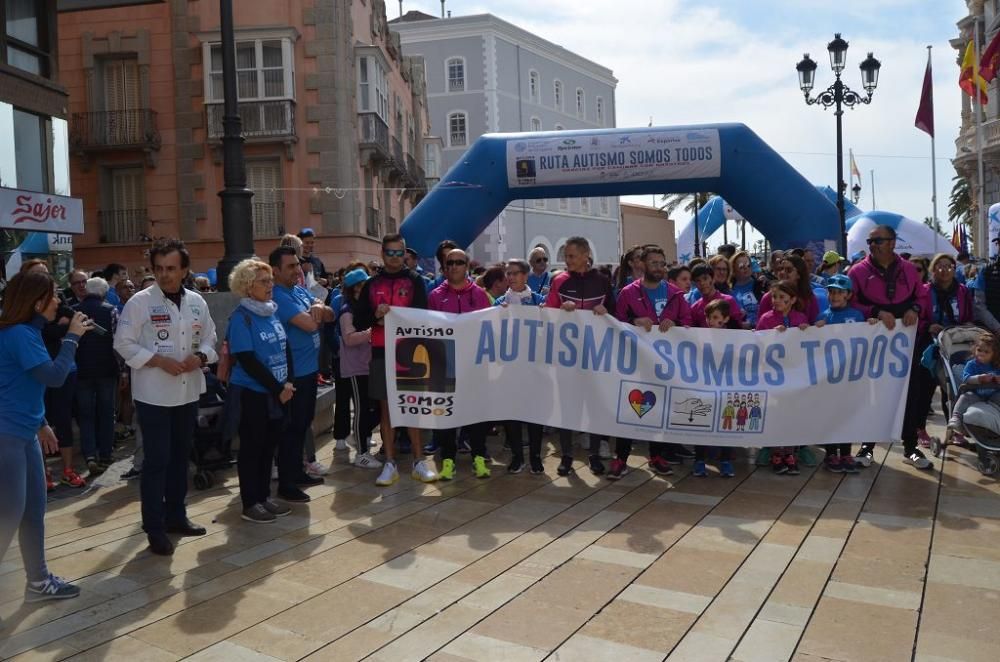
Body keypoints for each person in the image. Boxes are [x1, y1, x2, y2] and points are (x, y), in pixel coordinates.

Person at [114, 239, 218, 556]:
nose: (164, 275)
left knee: (179, 457)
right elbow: (123, 343)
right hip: (154, 395)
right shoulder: (140, 302)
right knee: (157, 461)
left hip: (187, 392)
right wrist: (159, 361)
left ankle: (177, 516)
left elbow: (212, 338)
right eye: (159, 268)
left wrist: (200, 358)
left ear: (184, 269)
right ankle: (154, 527)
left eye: (171, 268)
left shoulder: (198, 301)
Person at [0, 270, 94, 602]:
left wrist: (41, 423)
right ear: (37, 301)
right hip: (7, 436)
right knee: (9, 515)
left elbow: (22, 385)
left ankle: (38, 581)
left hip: (23, 433)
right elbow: (54, 377)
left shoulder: (26, 332)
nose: (58, 300)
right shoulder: (19, 334)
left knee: (33, 509)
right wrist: (73, 337)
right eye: (53, 295)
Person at [352, 233, 438, 486]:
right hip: (380, 352)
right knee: (386, 409)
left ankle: (418, 460)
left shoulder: (416, 281)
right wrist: (375, 316)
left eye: (399, 253)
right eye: (389, 253)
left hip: (409, 352)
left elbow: (423, 316)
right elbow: (358, 321)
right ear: (382, 254)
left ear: (405, 254)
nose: (394, 257)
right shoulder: (371, 284)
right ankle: (389, 462)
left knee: (412, 407)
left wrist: (395, 317)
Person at [849, 225, 934, 470]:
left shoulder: (909, 269)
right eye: (870, 241)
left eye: (878, 241)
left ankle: (911, 447)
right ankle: (867, 446)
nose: (872, 245)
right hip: (874, 343)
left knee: (910, 393)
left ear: (892, 243)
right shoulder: (858, 272)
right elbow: (851, 302)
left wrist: (914, 310)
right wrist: (874, 311)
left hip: (907, 342)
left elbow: (922, 297)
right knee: (873, 394)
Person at [609, 245, 691, 479]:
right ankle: (621, 458)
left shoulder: (675, 293)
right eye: (654, 263)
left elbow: (688, 321)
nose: (659, 268)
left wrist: (674, 324)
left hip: (664, 363)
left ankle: (657, 455)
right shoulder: (627, 292)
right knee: (627, 407)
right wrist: (634, 320)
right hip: (635, 362)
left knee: (661, 408)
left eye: (662, 263)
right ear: (643, 265)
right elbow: (618, 321)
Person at [225, 259, 296, 523]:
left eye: (270, 281)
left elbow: (284, 347)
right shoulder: (241, 318)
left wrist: (288, 382)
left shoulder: (271, 311)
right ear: (247, 286)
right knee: (252, 448)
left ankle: (265, 496)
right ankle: (250, 502)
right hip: (253, 393)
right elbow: (247, 359)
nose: (270, 286)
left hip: (278, 391)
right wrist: (278, 388)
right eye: (264, 282)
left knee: (269, 447)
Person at [545, 236, 615, 477]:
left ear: (586, 255)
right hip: (567, 357)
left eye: (572, 256)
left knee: (595, 407)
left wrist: (606, 312)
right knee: (568, 408)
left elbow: (616, 315)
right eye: (565, 256)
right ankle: (566, 457)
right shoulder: (559, 281)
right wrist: (560, 312)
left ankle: (594, 455)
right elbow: (547, 314)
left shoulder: (603, 282)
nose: (567, 260)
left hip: (595, 357)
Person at [270, 245, 335, 498]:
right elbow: (310, 324)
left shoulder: (298, 290)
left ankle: (297, 472)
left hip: (309, 372)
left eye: (298, 264)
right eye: (290, 266)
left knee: (301, 425)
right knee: (291, 429)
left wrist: (319, 306)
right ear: (275, 271)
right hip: (293, 375)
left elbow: (329, 313)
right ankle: (287, 484)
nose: (297, 270)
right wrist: (317, 309)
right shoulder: (279, 296)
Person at [428, 249, 493, 480]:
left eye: (459, 262)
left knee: (476, 412)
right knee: (445, 413)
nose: (454, 266)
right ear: (445, 267)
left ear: (467, 266)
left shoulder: (480, 295)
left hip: (474, 364)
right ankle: (447, 459)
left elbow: (489, 326)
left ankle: (478, 455)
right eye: (450, 263)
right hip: (446, 364)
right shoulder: (435, 295)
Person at [495, 259, 546, 474]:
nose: (511, 277)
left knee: (535, 412)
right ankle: (517, 456)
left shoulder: (538, 300)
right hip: (508, 367)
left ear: (526, 275)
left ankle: (535, 456)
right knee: (511, 412)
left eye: (516, 273)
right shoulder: (499, 302)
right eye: (509, 273)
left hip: (534, 367)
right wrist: (497, 314)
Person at [819, 275, 870, 473]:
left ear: (848, 295)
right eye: (831, 292)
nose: (835, 295)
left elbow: (867, 338)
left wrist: (873, 325)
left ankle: (846, 453)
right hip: (830, 377)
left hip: (850, 376)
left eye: (840, 292)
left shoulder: (857, 316)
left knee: (847, 415)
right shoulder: (823, 316)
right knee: (831, 414)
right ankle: (831, 453)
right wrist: (815, 328)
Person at [73, 277, 120, 477]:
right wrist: (122, 369)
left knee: (86, 415)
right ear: (104, 292)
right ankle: (106, 454)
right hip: (106, 369)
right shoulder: (110, 310)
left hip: (81, 370)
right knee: (106, 412)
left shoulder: (75, 310)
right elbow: (118, 342)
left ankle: (90, 455)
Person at [338, 268, 382, 469]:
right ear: (356, 287)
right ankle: (361, 453)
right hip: (356, 367)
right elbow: (348, 339)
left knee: (376, 408)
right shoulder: (347, 310)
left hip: (370, 364)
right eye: (365, 284)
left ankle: (360, 437)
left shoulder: (366, 307)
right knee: (362, 409)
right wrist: (371, 332)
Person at [692, 299, 736, 478]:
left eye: (716, 317)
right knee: (703, 423)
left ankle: (725, 461)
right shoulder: (701, 336)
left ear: (725, 319)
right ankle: (699, 460)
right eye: (709, 318)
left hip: (727, 390)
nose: (711, 321)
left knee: (727, 424)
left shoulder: (736, 337)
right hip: (706, 388)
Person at [948, 332, 1000, 437]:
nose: (982, 353)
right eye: (979, 350)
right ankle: (956, 417)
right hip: (975, 393)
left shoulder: (996, 365)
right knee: (965, 397)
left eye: (986, 352)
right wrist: (979, 379)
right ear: (975, 349)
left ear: (994, 354)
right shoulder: (971, 364)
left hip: (992, 394)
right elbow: (966, 378)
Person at [758, 255, 821, 323]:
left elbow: (813, 326)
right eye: (781, 269)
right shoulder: (768, 298)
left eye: (788, 270)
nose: (783, 272)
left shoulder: (809, 298)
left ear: (799, 274)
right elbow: (760, 329)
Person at [689, 264, 745, 329]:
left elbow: (739, 327)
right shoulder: (695, 308)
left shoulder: (729, 300)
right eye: (698, 280)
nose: (702, 283)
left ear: (713, 279)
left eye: (705, 278)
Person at [729, 250, 764, 328]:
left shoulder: (761, 285)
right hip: (738, 334)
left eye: (748, 265)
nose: (746, 268)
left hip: (759, 332)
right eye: (741, 266)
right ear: (734, 271)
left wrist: (752, 323)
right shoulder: (729, 291)